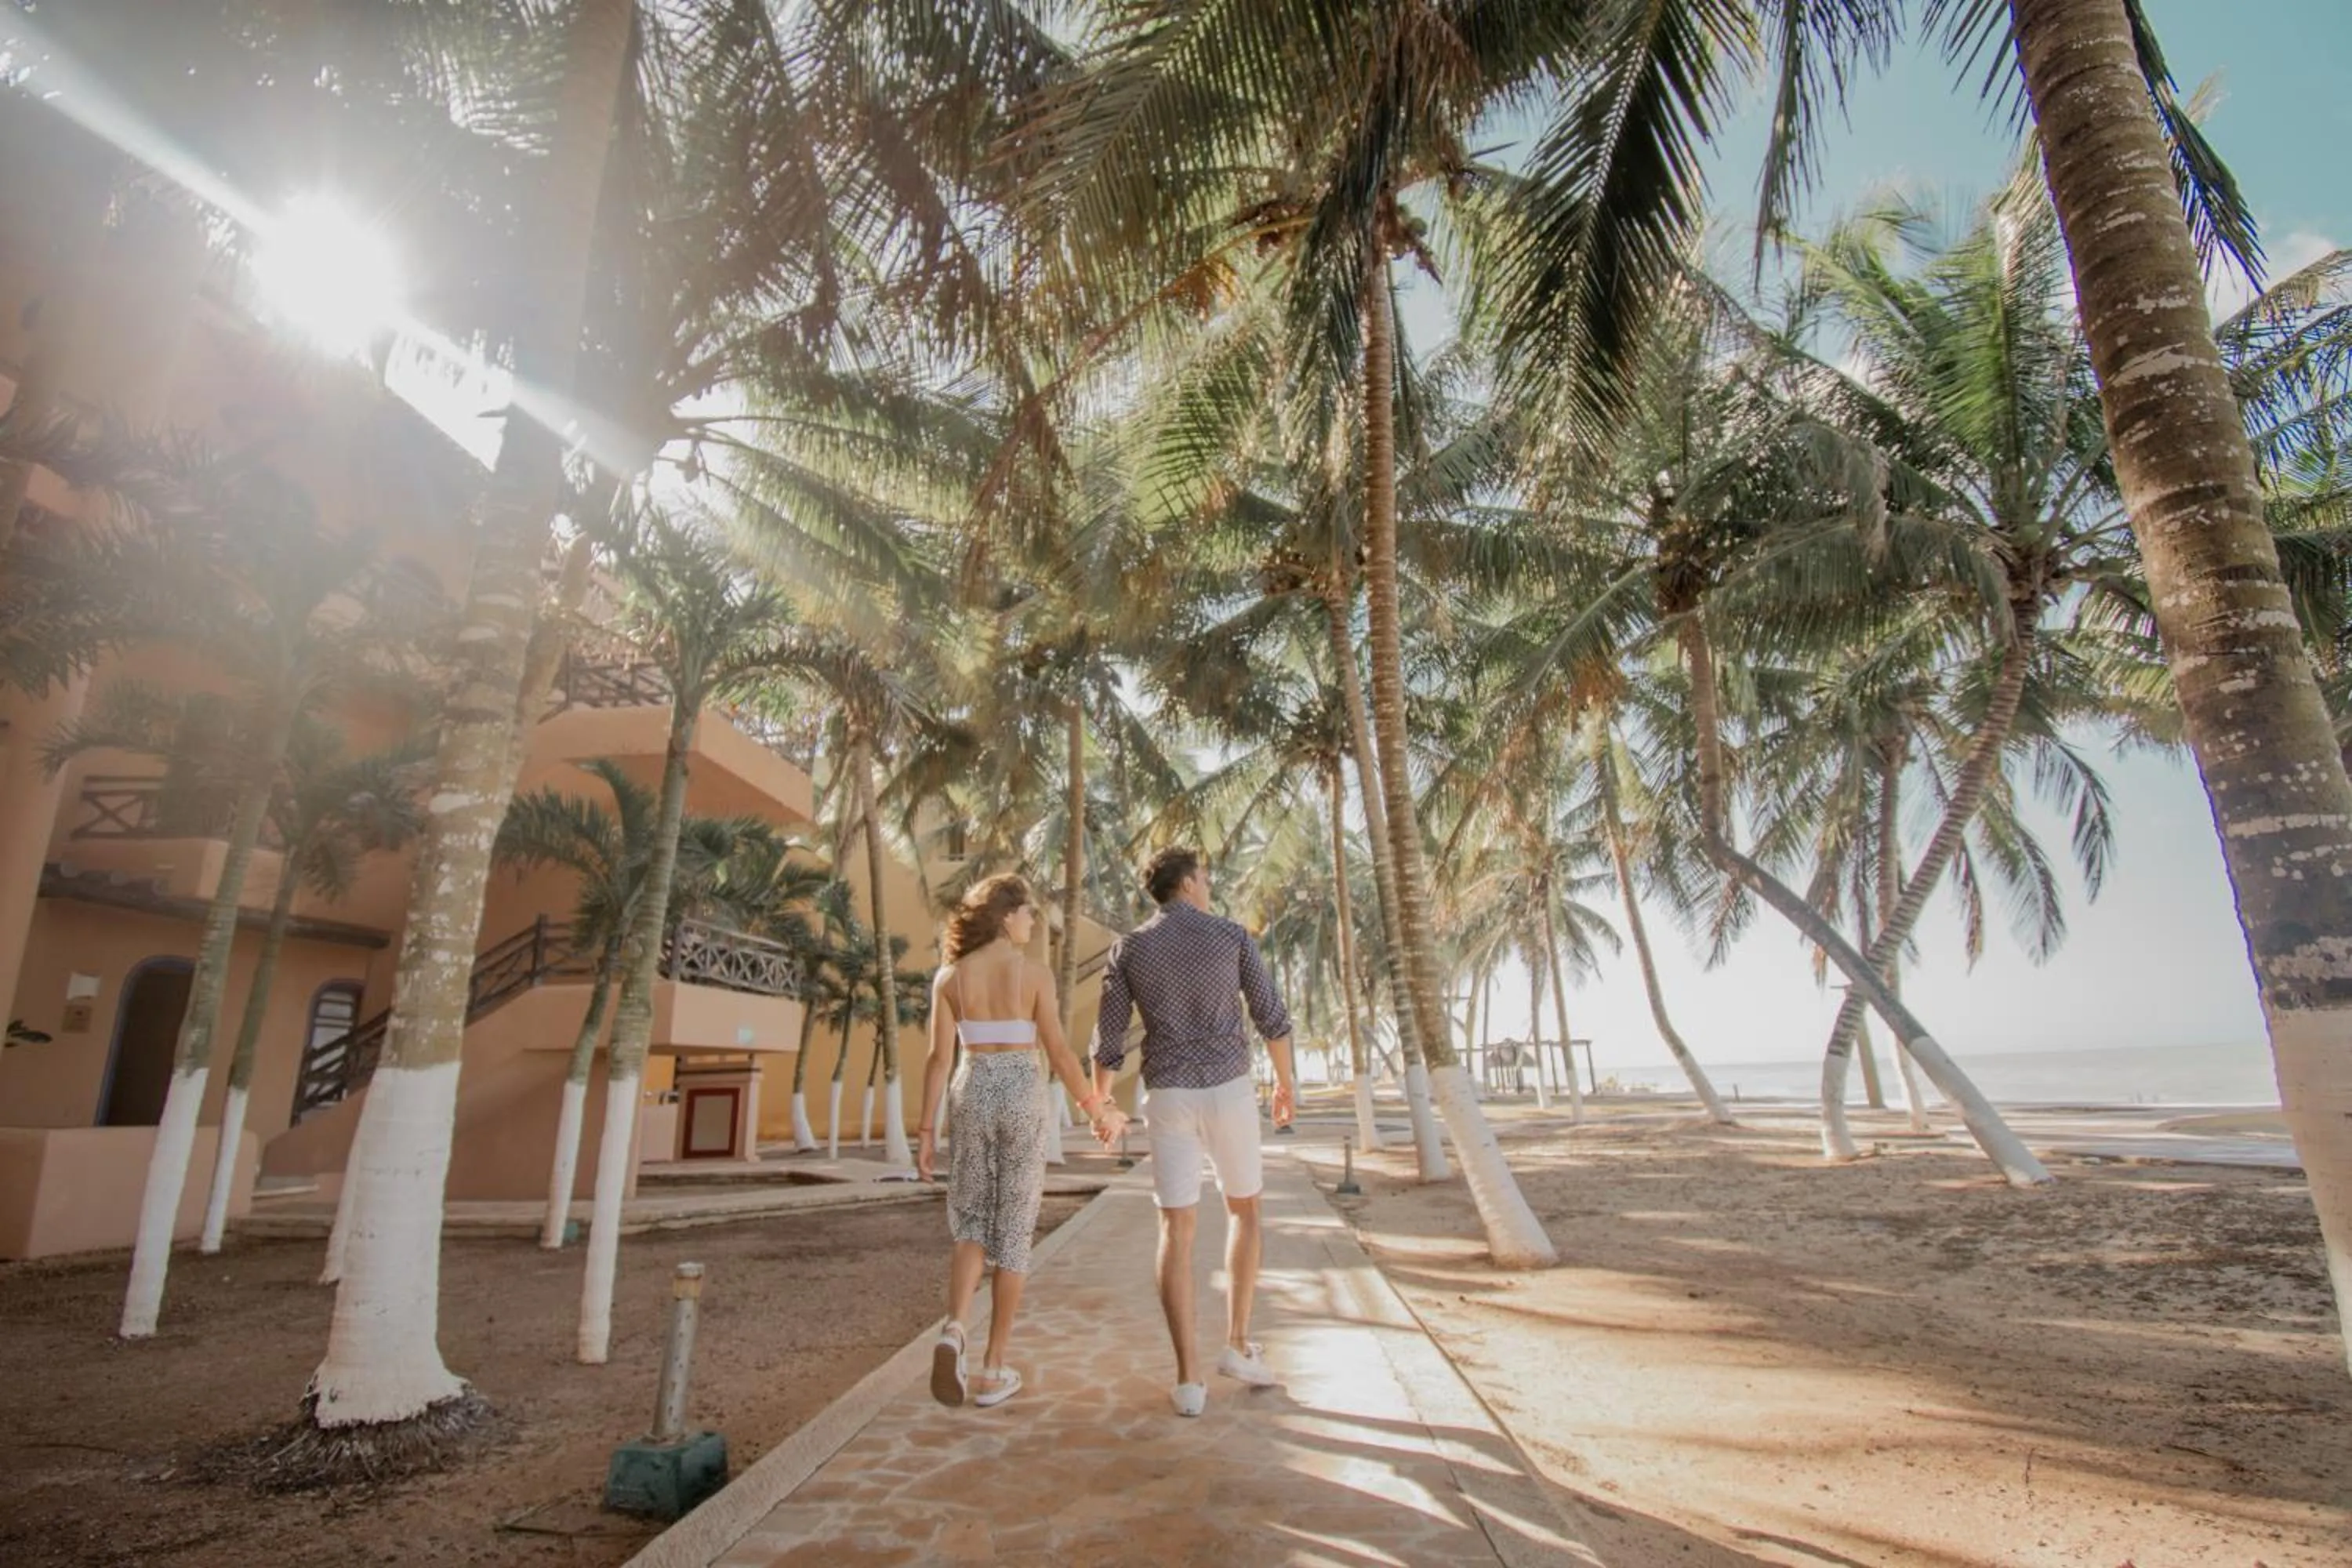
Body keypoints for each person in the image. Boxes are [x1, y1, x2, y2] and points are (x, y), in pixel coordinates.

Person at [1091, 847, 1298, 1417]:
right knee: (1245, 1211)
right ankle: (1235, 1344)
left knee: (1175, 1230)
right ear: (1186, 883)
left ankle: (1188, 1380)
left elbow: (1108, 1042)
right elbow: (1272, 1016)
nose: (1209, 887)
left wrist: (1102, 1102)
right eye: (1205, 878)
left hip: (1170, 1095)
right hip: (1229, 1089)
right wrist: (1284, 1084)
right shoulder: (1230, 936)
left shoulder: (1129, 948)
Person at [916, 873, 1126, 1409]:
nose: (1033, 922)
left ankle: (955, 1329)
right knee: (1012, 1231)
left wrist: (924, 1132)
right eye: (1028, 913)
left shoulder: (949, 978)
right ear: (1006, 915)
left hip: (971, 1088)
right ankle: (992, 1369)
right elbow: (1058, 1051)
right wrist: (1095, 1108)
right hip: (1019, 1089)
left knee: (970, 1221)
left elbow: (939, 1060)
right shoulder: (1032, 974)